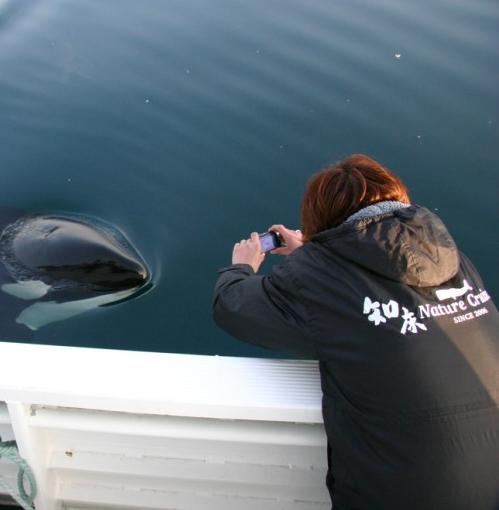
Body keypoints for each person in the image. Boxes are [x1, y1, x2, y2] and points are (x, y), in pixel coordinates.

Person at [212, 154, 499, 509]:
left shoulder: (316, 277)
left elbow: (232, 307)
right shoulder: (453, 260)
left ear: (320, 217)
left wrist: (242, 267)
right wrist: (315, 258)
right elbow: (387, 277)